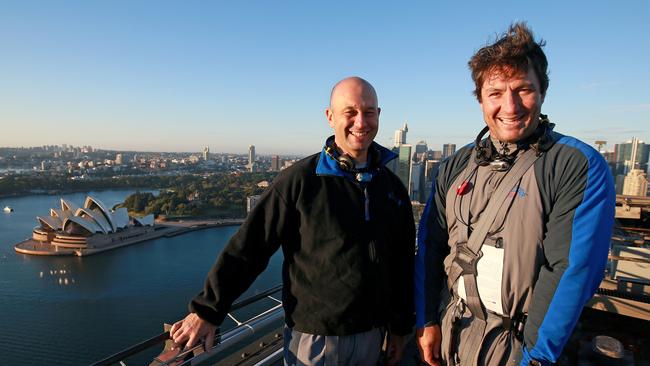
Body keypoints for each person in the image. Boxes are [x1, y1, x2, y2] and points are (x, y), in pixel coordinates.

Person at [170, 76, 415, 365]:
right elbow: (250, 247)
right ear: (330, 116)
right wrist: (208, 310)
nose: (360, 122)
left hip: (374, 334)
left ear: (378, 115)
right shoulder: (300, 180)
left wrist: (400, 328)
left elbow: (402, 264)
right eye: (350, 112)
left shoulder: (391, 187)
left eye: (369, 112)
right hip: (315, 340)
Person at [415, 23, 615, 366]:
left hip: (518, 345)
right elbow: (431, 247)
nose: (510, 106)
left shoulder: (573, 165)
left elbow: (569, 270)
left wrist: (536, 358)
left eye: (523, 89)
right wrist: (426, 321)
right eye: (495, 93)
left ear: (542, 91)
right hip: (452, 327)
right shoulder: (456, 165)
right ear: (480, 98)